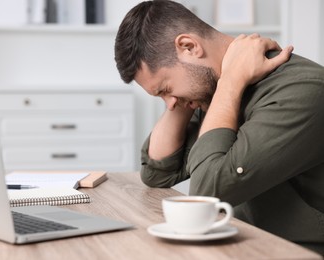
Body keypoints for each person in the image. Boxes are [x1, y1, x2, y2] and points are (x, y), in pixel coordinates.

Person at [114, 0, 324, 255]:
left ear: (189, 46)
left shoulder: (301, 90)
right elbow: (158, 173)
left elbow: (207, 193)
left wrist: (231, 82)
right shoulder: (211, 92)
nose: (169, 105)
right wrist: (221, 83)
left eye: (166, 90)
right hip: (246, 242)